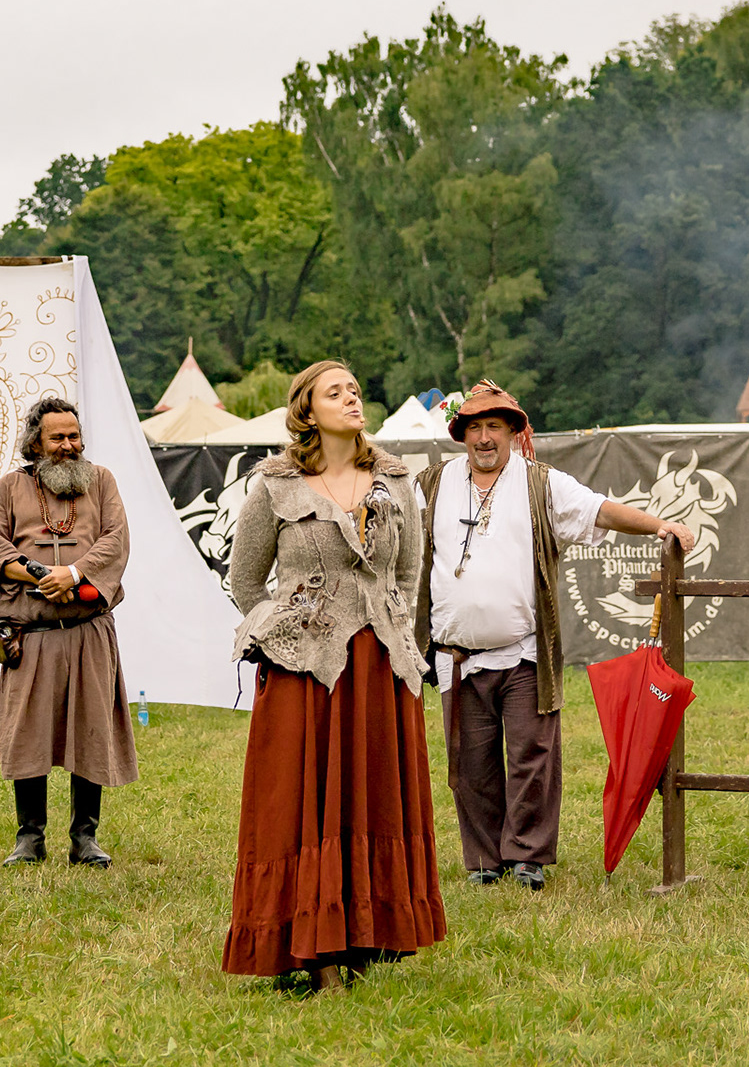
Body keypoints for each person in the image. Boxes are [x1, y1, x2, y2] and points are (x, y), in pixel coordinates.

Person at [414, 379, 696, 890]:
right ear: (461, 435)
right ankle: (483, 861)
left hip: (523, 652)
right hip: (456, 654)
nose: (484, 438)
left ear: (513, 432)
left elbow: (599, 510)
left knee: (531, 757)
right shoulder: (430, 485)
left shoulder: (540, 483)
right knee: (470, 764)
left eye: (494, 427)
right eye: (474, 427)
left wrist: (660, 525)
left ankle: (527, 857)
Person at [222, 360, 446, 992]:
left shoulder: (397, 481)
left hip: (379, 667)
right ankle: (309, 949)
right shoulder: (273, 484)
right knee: (298, 802)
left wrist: (387, 628)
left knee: (370, 793)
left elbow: (407, 574)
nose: (351, 397)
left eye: (354, 387)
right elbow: (244, 582)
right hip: (304, 671)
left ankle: (368, 935)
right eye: (334, 392)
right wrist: (286, 630)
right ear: (306, 409)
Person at [0, 395, 137, 866]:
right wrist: (39, 573)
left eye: (74, 436)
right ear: (36, 443)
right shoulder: (10, 488)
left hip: (88, 629)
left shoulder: (102, 481)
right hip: (32, 635)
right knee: (28, 733)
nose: (69, 445)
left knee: (89, 730)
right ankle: (29, 838)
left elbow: (116, 539)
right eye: (58, 437)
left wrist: (74, 574)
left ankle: (84, 839)